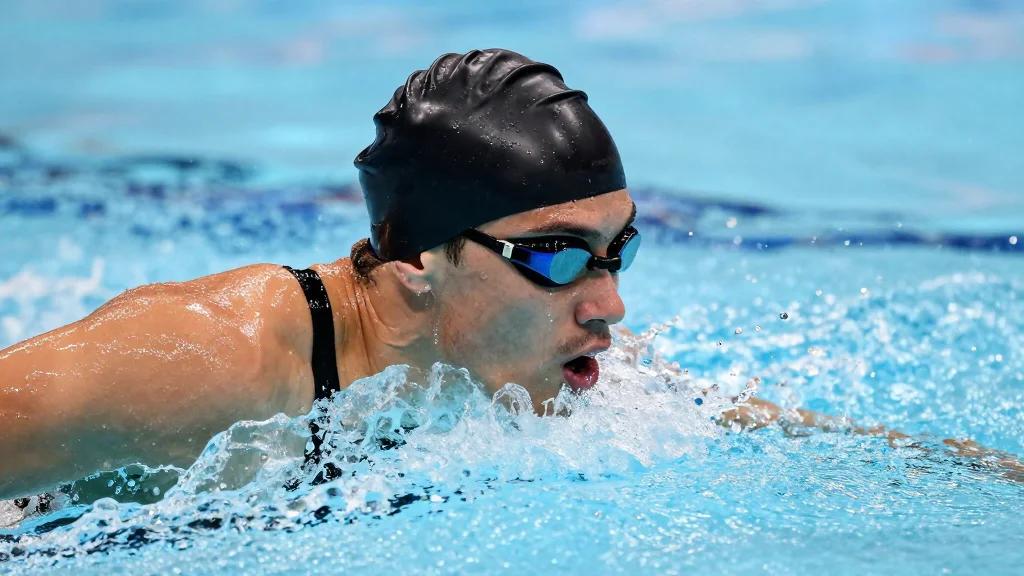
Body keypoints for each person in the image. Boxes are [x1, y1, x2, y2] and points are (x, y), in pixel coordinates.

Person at [0, 49, 1017, 502]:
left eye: (617, 250)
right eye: (557, 255)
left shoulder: (529, 354)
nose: (609, 302)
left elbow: (747, 427)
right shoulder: (195, 362)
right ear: (412, 269)